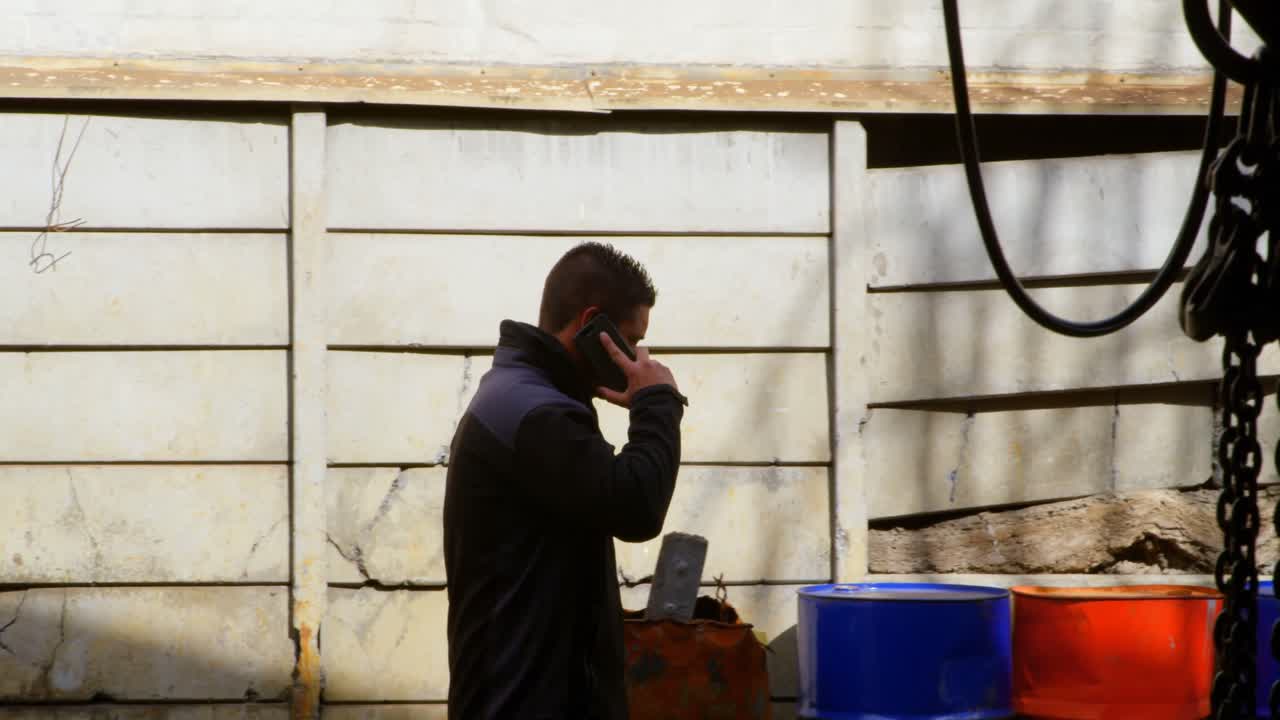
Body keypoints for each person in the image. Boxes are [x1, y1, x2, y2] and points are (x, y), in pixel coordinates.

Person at [444, 242, 687, 719]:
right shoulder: (533, 413)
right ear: (590, 323)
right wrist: (656, 402)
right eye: (631, 340)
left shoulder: (532, 398)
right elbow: (636, 506)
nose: (637, 356)